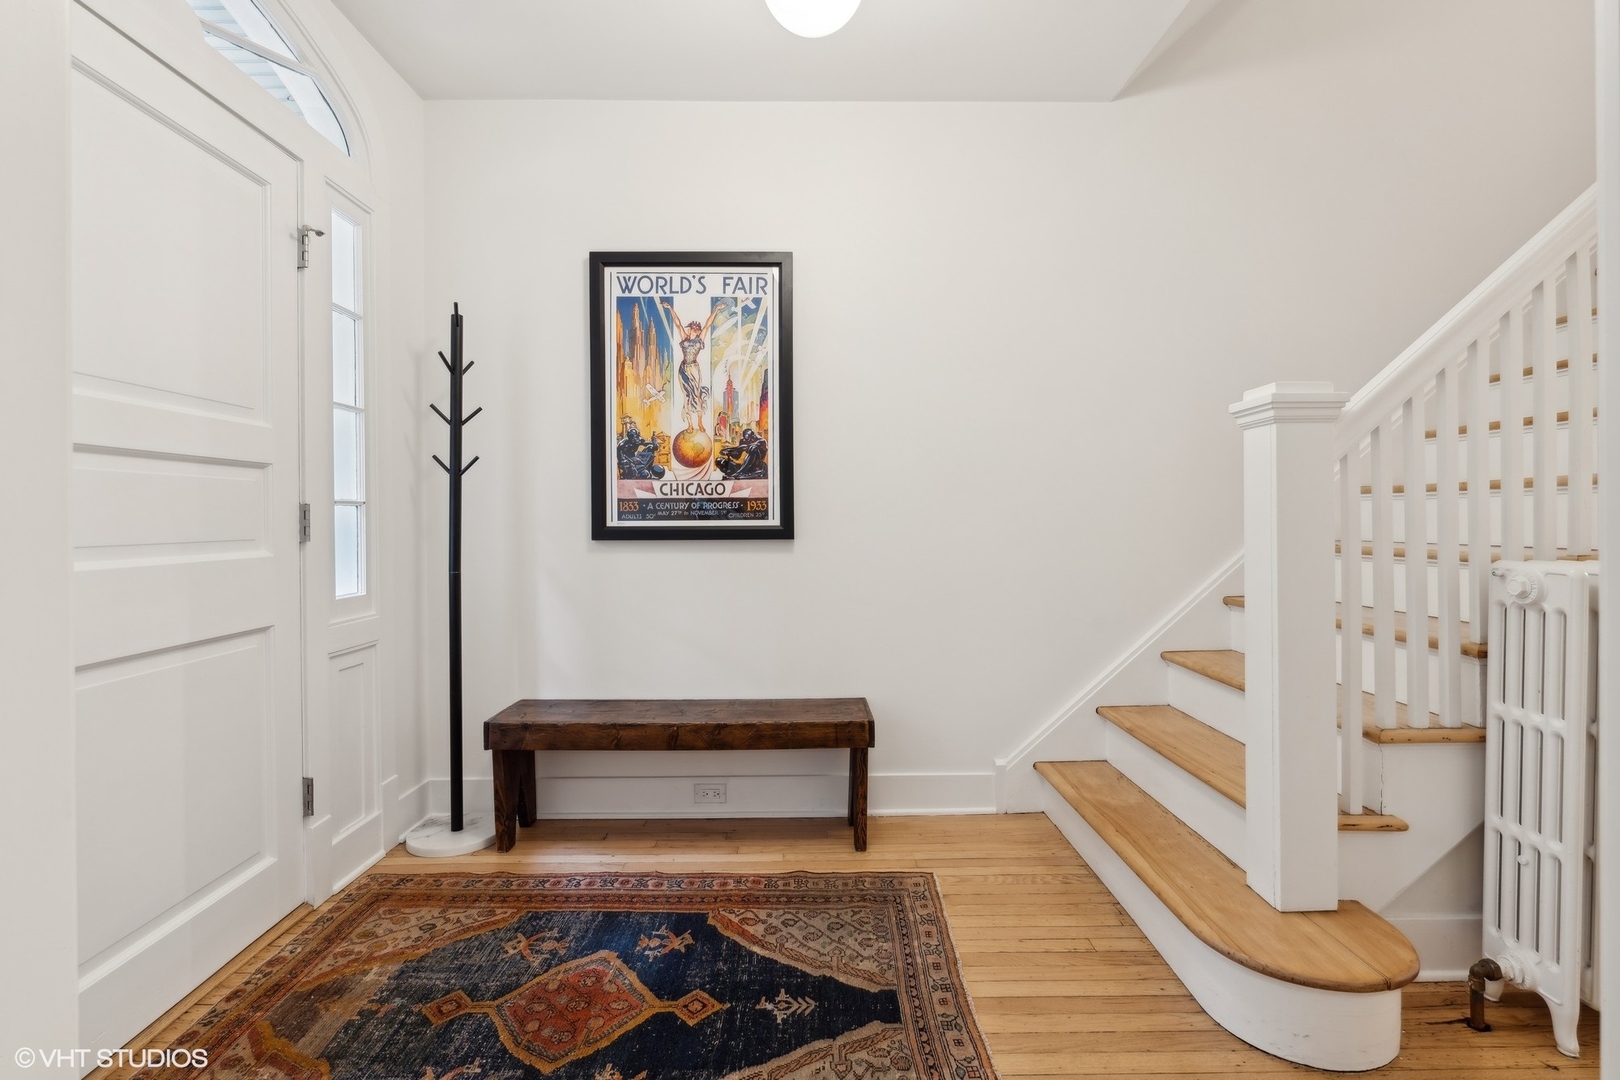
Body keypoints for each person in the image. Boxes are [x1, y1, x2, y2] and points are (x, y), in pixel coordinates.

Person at [661, 300, 722, 432]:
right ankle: (689, 424)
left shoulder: (700, 339)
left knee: (697, 395)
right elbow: (677, 324)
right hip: (683, 369)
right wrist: (670, 308)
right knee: (687, 396)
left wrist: (716, 309)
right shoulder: (684, 338)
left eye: (693, 328)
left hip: (694, 368)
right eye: (690, 328)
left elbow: (708, 324)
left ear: (696, 330)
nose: (690, 330)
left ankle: (700, 421)